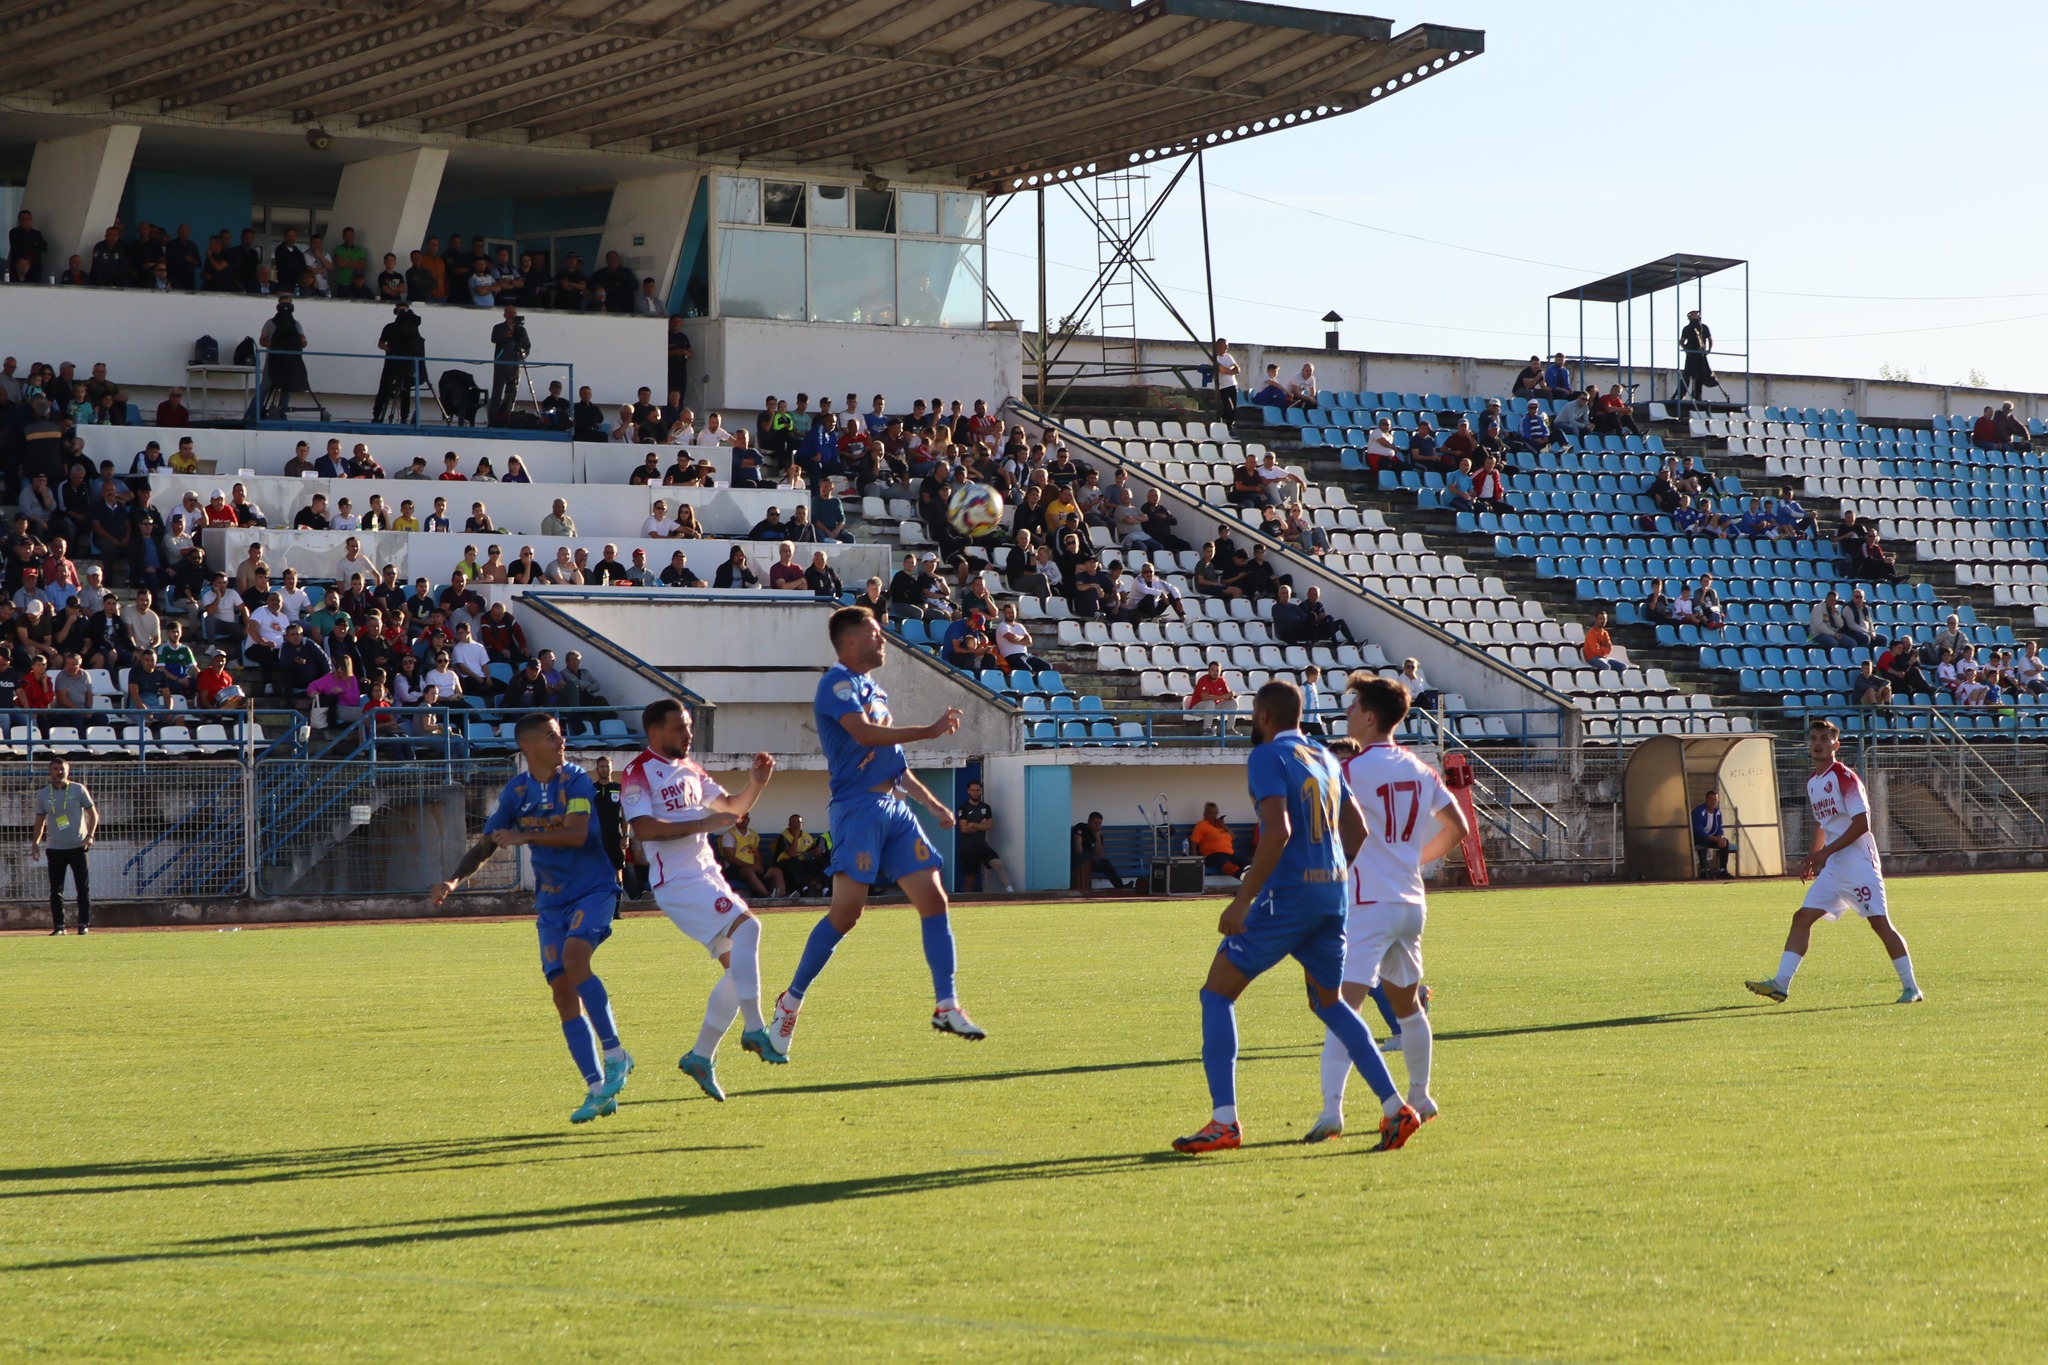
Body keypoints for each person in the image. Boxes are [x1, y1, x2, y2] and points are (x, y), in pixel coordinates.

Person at [1171, 679, 1417, 1155]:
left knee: (1216, 993)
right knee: (1331, 1004)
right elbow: (1358, 829)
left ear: (1263, 717)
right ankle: (1395, 1109)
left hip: (1287, 897)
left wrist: (1244, 899)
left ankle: (1225, 1121)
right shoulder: (1324, 755)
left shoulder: (1266, 756)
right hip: (1331, 895)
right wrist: (1330, 873)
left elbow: (1279, 829)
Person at [765, 606, 982, 1060]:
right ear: (850, 642)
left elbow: (894, 762)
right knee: (846, 914)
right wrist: (931, 730)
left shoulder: (875, 690)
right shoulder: (835, 684)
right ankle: (790, 1001)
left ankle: (946, 1004)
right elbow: (864, 736)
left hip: (895, 808)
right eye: (875, 633)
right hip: (857, 809)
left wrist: (935, 804)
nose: (883, 640)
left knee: (935, 899)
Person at [430, 713, 636, 1123]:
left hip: (593, 887)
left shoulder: (576, 780)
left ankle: (616, 1054)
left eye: (560, 732)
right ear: (528, 746)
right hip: (552, 903)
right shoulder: (516, 793)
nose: (562, 739)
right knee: (562, 992)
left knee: (577, 960)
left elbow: (577, 833)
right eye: (552, 734)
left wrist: (525, 836)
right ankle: (597, 1089)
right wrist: (453, 881)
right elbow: (488, 843)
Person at [1303, 674, 1470, 1143]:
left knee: (1340, 1008)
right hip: (1409, 900)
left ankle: (1333, 1111)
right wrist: (1411, 859)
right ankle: (1421, 1096)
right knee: (1409, 1009)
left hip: (1369, 903)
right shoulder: (1420, 767)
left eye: (1354, 708)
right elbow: (1457, 828)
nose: (1348, 715)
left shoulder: (1351, 771)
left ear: (1371, 717)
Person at [622, 698, 782, 1101]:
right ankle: (755, 1028)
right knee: (751, 928)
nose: (688, 734)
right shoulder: (637, 772)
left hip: (706, 875)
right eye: (680, 727)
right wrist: (700, 823)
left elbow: (729, 808)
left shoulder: (691, 768)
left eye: (689, 726)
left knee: (737, 969)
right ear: (654, 731)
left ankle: (700, 1056)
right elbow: (643, 829)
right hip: (677, 881)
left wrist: (757, 784)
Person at [1745, 719, 1921, 1006]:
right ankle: (1781, 984)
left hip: (1859, 864)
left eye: (1824, 739)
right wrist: (1815, 856)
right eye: (1813, 738)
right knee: (1801, 918)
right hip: (1834, 866)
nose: (1817, 743)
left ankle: (1912, 988)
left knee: (1880, 924)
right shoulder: (1814, 781)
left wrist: (1823, 854)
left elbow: (1862, 823)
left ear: (1835, 745)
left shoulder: (1845, 777)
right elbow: (1823, 822)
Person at [32, 756, 97, 935]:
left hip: (78, 846)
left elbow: (94, 814)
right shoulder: (44, 794)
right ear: (50, 771)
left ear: (67, 770)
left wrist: (90, 836)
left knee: (82, 888)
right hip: (55, 848)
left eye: (62, 769)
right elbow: (39, 821)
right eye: (55, 769)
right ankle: (59, 926)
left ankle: (83, 924)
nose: (59, 772)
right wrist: (35, 843)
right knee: (56, 890)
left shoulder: (78, 789)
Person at [953, 780, 1014, 894]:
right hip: (968, 849)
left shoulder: (986, 807)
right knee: (970, 878)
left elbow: (990, 826)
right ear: (968, 791)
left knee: (998, 863)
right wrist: (982, 825)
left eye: (977, 790)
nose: (975, 793)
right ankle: (967, 900)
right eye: (972, 790)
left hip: (982, 846)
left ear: (980, 791)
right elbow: (964, 828)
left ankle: (1011, 891)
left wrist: (974, 824)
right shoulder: (964, 808)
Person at [1070, 810, 1126, 892]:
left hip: (1091, 862)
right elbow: (1078, 846)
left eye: (1100, 823)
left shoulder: (1097, 835)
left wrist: (1097, 837)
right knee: (1086, 857)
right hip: (1077, 861)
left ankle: (1121, 887)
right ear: (1089, 821)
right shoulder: (1081, 827)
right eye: (1095, 823)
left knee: (1105, 863)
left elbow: (1100, 855)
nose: (1098, 825)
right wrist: (1084, 859)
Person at [1189, 802, 1241, 878]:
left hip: (1229, 854)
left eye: (1215, 813)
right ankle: (1242, 877)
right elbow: (1193, 842)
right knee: (1224, 862)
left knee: (1243, 860)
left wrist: (1224, 827)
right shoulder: (1202, 825)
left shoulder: (1219, 825)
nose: (1213, 816)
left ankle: (1255, 879)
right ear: (1205, 814)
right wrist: (1195, 861)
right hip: (1212, 855)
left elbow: (1233, 837)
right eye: (1210, 813)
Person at [1693, 789, 1734, 879]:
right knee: (1702, 842)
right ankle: (1704, 871)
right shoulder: (1699, 811)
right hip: (1698, 838)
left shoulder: (1717, 812)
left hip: (1711, 838)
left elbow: (1719, 828)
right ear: (1706, 800)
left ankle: (1722, 870)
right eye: (1711, 799)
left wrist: (1720, 837)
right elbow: (1698, 831)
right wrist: (1715, 839)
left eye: (1715, 800)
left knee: (1725, 842)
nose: (1713, 802)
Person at [1678, 309, 1715, 403]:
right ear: (1689, 316)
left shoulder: (1704, 327)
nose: (1695, 315)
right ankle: (1681, 395)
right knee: (1687, 374)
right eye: (1693, 314)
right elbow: (1681, 341)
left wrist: (1709, 349)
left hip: (1701, 355)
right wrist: (1687, 349)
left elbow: (1710, 339)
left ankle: (1697, 396)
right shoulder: (1687, 328)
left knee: (1700, 375)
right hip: (1691, 355)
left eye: (1696, 314)